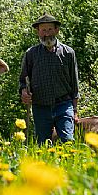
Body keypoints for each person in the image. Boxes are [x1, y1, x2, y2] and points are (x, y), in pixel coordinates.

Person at [19, 14, 79, 143]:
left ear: (57, 30)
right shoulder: (31, 54)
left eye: (50, 29)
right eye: (43, 30)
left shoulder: (68, 53)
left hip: (64, 105)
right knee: (43, 144)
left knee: (68, 141)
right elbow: (23, 80)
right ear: (38, 32)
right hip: (40, 107)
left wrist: (75, 111)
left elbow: (74, 85)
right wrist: (24, 91)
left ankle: (68, 163)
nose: (47, 34)